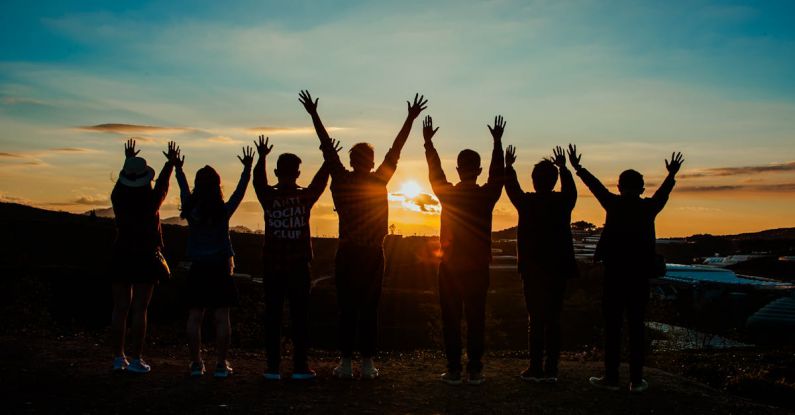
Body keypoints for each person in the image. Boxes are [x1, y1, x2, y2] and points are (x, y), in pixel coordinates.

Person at [298, 90, 427, 379]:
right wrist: (409, 118)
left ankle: (344, 363)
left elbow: (327, 147)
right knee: (370, 308)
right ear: (370, 161)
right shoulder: (379, 180)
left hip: (348, 252)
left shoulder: (341, 180)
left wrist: (314, 115)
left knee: (347, 309)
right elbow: (396, 148)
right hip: (372, 253)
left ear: (352, 160)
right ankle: (368, 364)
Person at [570, 145, 684, 393]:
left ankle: (611, 377)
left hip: (614, 274)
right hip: (639, 275)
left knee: (612, 327)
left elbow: (596, 186)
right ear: (642, 188)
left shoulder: (614, 204)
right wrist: (671, 175)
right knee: (636, 326)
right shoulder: (648, 208)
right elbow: (663, 194)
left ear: (619, 187)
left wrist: (578, 168)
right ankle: (636, 379)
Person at [423, 114, 505, 385]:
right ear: (478, 169)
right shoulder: (486, 196)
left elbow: (435, 173)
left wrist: (428, 145)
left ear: (458, 169)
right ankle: (475, 370)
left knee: (451, 319)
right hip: (478, 266)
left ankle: (455, 370)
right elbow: (498, 176)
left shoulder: (448, 194)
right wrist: (497, 143)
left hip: (449, 266)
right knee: (476, 317)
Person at [252, 135, 341, 381]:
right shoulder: (304, 198)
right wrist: (327, 160)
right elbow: (320, 183)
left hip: (272, 265)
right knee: (300, 317)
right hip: (299, 266)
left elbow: (258, 182)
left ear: (277, 171)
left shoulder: (268, 197)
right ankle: (300, 366)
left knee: (273, 316)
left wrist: (260, 157)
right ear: (298, 173)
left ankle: (272, 367)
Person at [176, 146, 254, 379]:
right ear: (217, 186)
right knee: (222, 318)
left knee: (195, 317)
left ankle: (196, 363)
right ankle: (221, 364)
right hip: (220, 268)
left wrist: (178, 168)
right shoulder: (222, 210)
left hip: (198, 267)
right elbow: (240, 193)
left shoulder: (191, 209)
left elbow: (182, 188)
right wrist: (247, 169)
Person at [504, 145, 577, 383]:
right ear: (554, 181)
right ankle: (551, 369)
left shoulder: (527, 203)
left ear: (534, 181)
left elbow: (512, 188)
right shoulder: (563, 202)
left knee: (535, 319)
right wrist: (564, 168)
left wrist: (509, 166)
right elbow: (571, 191)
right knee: (554, 319)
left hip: (533, 270)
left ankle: (535, 368)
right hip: (558, 268)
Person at [109, 139, 180, 373]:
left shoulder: (118, 197)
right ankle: (136, 357)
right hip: (145, 255)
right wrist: (170, 163)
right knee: (140, 308)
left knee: (120, 307)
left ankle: (118, 357)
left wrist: (127, 160)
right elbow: (162, 185)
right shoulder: (151, 201)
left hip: (121, 252)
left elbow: (126, 183)